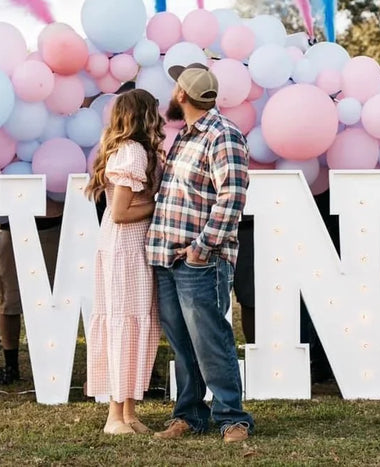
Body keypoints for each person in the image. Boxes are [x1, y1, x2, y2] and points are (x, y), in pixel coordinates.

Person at [146, 64, 254, 443]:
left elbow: (233, 196)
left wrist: (202, 247)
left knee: (210, 338)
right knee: (181, 342)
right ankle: (189, 415)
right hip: (166, 257)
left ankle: (232, 417)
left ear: (181, 96)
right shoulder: (184, 137)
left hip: (200, 260)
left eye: (175, 87)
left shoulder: (222, 135)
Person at [84, 89, 163, 435]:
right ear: (144, 115)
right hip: (123, 250)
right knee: (123, 323)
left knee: (135, 324)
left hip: (132, 249)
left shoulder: (135, 151)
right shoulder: (131, 153)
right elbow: (119, 212)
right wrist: (160, 207)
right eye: (155, 112)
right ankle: (114, 416)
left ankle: (129, 412)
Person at [0, 197, 62, 385]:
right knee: (8, 298)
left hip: (50, 224)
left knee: (51, 300)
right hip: (11, 227)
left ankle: (49, 363)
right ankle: (11, 365)